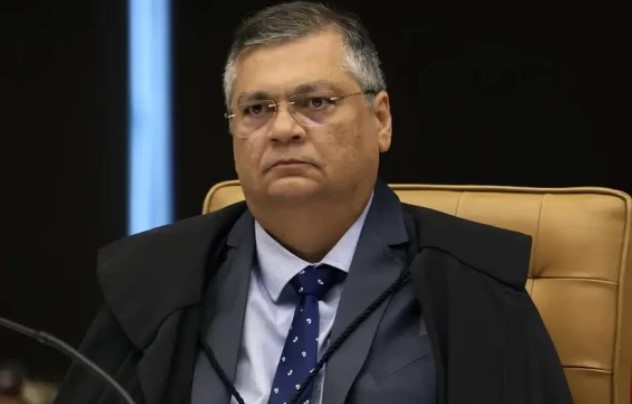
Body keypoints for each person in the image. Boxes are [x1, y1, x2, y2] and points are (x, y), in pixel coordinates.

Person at [53, 2, 573, 403]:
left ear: (381, 120)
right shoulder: (153, 284)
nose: (283, 129)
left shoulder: (473, 284)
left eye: (315, 102)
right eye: (257, 109)